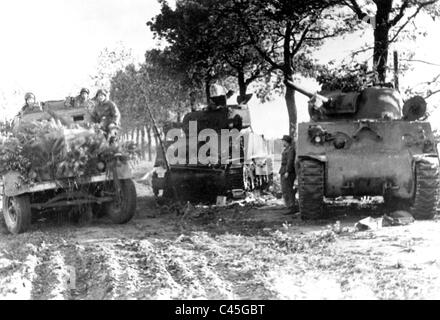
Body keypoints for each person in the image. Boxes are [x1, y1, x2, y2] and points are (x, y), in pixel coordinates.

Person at [279, 135, 297, 213]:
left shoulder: (290, 149)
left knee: (288, 190)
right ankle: (289, 206)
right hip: (283, 170)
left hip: (287, 171)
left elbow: (290, 161)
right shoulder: (287, 149)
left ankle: (291, 207)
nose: (282, 142)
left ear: (286, 141)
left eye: (283, 141)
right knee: (285, 190)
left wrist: (288, 171)